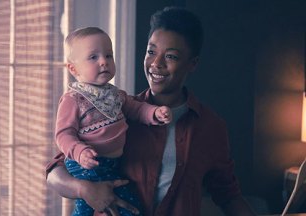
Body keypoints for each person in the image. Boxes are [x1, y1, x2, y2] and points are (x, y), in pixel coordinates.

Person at [46, 6, 257, 216]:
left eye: (171, 56)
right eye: (151, 52)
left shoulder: (211, 127)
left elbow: (228, 195)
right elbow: (55, 171)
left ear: (192, 64)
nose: (156, 63)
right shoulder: (116, 111)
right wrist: (85, 190)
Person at [55, 26, 172, 216]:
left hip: (112, 164)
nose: (104, 62)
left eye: (108, 55)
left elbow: (136, 108)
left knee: (112, 203)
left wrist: (155, 113)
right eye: (93, 57)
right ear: (73, 68)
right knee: (95, 205)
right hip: (88, 163)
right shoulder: (73, 99)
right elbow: (63, 134)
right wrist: (79, 151)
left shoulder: (115, 94)